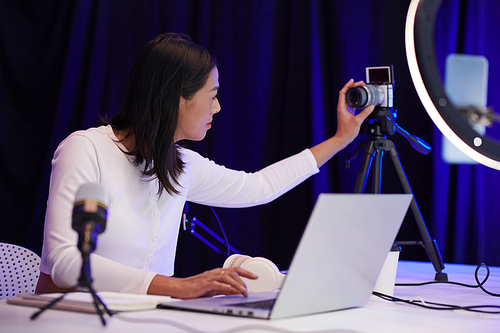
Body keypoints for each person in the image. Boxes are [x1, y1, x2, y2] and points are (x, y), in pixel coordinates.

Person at [36, 33, 374, 299]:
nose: (218, 107)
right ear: (176, 98)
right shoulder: (86, 149)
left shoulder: (181, 163)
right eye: (211, 95)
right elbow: (66, 262)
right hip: (72, 320)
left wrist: (342, 138)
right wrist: (178, 288)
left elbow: (259, 187)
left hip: (144, 320)